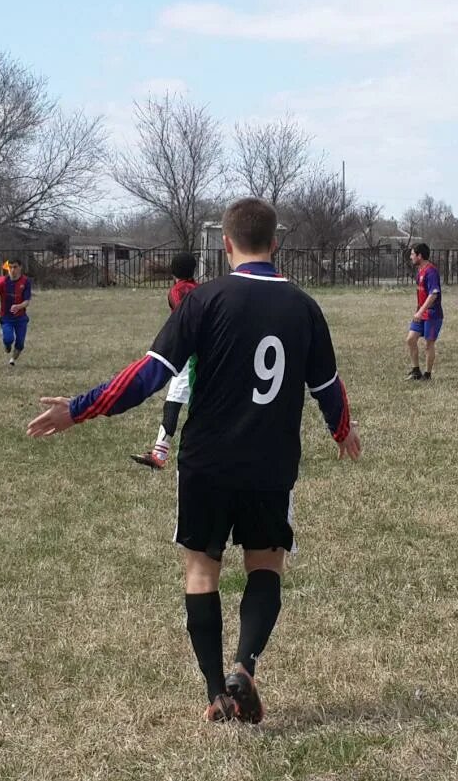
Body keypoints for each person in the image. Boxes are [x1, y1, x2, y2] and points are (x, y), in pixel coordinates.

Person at [27, 197, 361, 725]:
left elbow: (148, 376)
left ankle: (216, 693)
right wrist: (343, 430)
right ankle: (244, 667)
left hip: (206, 462)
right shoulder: (303, 307)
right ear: (276, 244)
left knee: (202, 570)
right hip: (270, 463)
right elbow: (326, 386)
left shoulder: (203, 300)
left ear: (225, 244)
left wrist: (78, 409)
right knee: (266, 563)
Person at [130, 251, 200, 469]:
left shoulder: (177, 291)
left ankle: (159, 454)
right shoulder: (201, 290)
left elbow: (184, 320)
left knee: (173, 403)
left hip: (189, 354)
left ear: (172, 271)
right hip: (207, 352)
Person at [0, 258, 32, 366]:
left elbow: (27, 301)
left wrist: (19, 306)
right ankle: (7, 344)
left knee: (20, 344)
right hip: (6, 317)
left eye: (15, 267)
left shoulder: (25, 281)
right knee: (9, 339)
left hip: (21, 318)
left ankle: (12, 360)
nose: (12, 270)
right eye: (10, 267)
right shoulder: (1, 281)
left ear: (20, 267)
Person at [405, 243, 443, 381]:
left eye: (412, 254)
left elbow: (433, 294)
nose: (411, 257)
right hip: (421, 313)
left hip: (432, 314)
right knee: (410, 339)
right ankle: (416, 371)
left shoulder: (431, 271)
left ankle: (427, 375)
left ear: (420, 256)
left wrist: (421, 311)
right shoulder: (420, 270)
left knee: (429, 344)